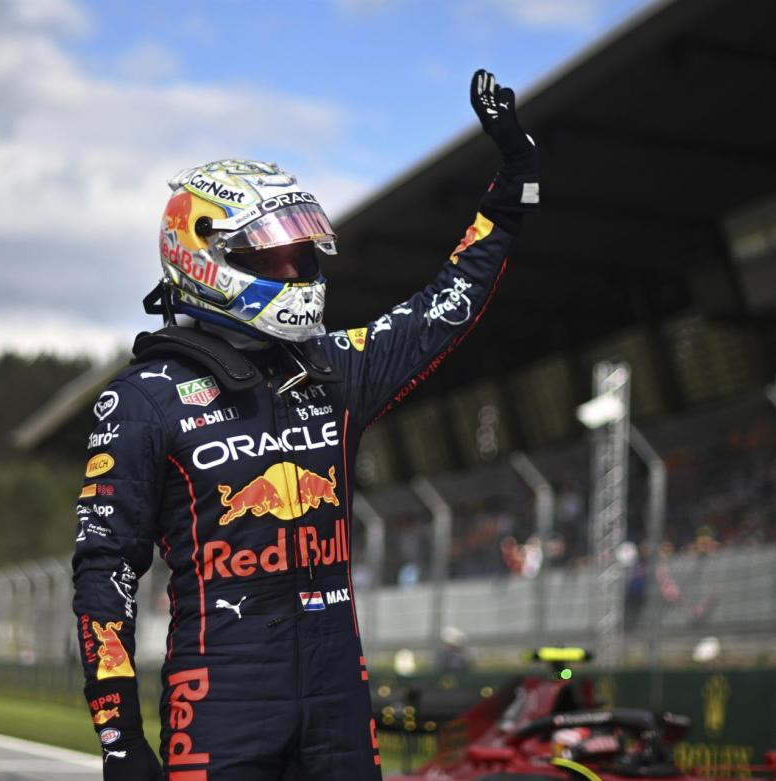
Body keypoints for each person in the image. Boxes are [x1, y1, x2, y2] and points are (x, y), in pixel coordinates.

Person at [71, 69, 537, 780]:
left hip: (338, 694)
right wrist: (119, 735)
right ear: (207, 258)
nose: (299, 266)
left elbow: (445, 305)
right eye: (275, 253)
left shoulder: (332, 367)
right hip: (220, 694)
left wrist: (512, 188)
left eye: (304, 249)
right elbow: (105, 571)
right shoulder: (141, 398)